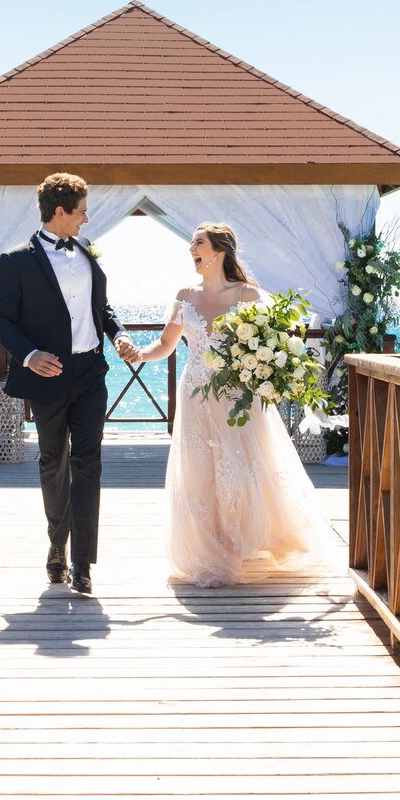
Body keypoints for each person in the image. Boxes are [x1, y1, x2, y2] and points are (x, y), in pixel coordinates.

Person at [129, 223, 328, 588]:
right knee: (200, 472)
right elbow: (166, 344)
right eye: (191, 243)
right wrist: (140, 355)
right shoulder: (184, 295)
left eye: (198, 243)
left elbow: (272, 345)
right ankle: (211, 552)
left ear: (218, 252)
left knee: (240, 468)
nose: (192, 248)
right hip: (194, 394)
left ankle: (241, 543)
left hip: (236, 397)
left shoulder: (246, 295)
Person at [0, 173, 140, 595]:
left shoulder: (87, 253)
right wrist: (29, 355)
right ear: (60, 212)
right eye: (82, 211)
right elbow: (1, 319)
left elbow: (101, 307)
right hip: (47, 374)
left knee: (88, 464)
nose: (87, 218)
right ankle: (57, 545)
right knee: (53, 462)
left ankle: (83, 563)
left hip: (91, 373)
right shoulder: (14, 261)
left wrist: (119, 333)